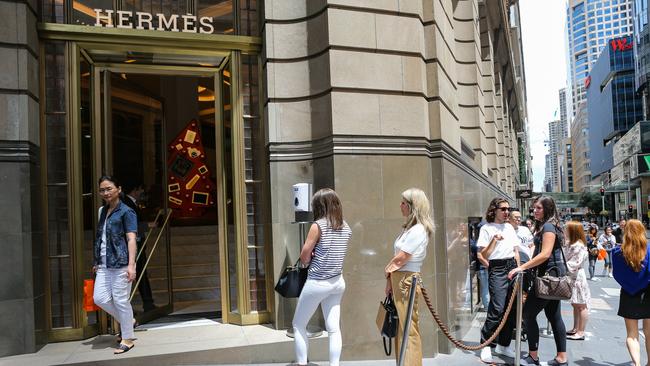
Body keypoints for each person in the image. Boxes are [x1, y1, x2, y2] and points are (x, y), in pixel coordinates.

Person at [293, 188, 351, 366]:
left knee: (298, 324)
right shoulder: (346, 226)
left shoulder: (317, 225)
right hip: (337, 282)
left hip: (318, 282)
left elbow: (304, 255)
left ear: (319, 206)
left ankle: (302, 363)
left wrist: (309, 259)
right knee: (333, 329)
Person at [508, 196, 568, 366]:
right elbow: (539, 251)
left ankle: (533, 356)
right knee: (554, 316)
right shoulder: (547, 225)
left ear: (547, 209)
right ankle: (562, 357)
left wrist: (522, 267)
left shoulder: (548, 226)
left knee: (528, 314)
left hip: (548, 278)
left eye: (538, 208)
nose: (534, 211)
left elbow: (545, 254)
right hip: (550, 277)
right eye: (534, 208)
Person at [384, 188, 434, 366]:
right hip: (401, 279)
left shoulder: (418, 230)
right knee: (402, 326)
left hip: (406, 280)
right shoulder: (411, 228)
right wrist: (390, 279)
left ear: (413, 206)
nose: (400, 205)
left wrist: (387, 271)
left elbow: (402, 257)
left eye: (403, 202)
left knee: (408, 328)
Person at [93, 176, 138, 354]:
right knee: (100, 298)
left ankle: (128, 338)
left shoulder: (127, 211)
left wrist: (131, 265)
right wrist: (97, 260)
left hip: (120, 263)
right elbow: (100, 237)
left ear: (118, 189)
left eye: (109, 188)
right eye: (102, 190)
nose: (105, 192)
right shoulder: (102, 211)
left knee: (120, 301)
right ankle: (129, 321)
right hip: (104, 264)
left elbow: (131, 239)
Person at [476, 198, 520, 363]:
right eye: (503, 209)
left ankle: (504, 344)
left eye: (508, 209)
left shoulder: (509, 227)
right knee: (498, 308)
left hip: (512, 267)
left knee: (511, 309)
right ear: (494, 210)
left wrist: (518, 268)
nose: (506, 212)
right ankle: (485, 344)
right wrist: (494, 241)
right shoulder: (486, 228)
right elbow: (483, 254)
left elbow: (515, 250)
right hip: (498, 268)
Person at [612, 219, 650, 366]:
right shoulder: (648, 250)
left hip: (628, 294)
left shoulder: (617, 252)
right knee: (649, 332)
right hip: (648, 293)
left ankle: (637, 363)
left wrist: (629, 284)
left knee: (632, 334)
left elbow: (617, 274)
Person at [121, 181, 156, 313]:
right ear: (135, 190)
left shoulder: (130, 203)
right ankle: (146, 303)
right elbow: (128, 225)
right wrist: (147, 225)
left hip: (137, 243)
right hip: (132, 245)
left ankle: (148, 303)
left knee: (141, 273)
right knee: (138, 273)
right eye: (141, 189)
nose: (142, 192)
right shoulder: (126, 204)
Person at [564, 221, 591, 341]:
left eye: (566, 229)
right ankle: (575, 328)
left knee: (581, 305)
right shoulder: (571, 243)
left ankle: (581, 331)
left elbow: (575, 263)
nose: (565, 231)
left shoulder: (578, 245)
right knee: (575, 304)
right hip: (572, 276)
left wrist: (562, 267)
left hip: (577, 276)